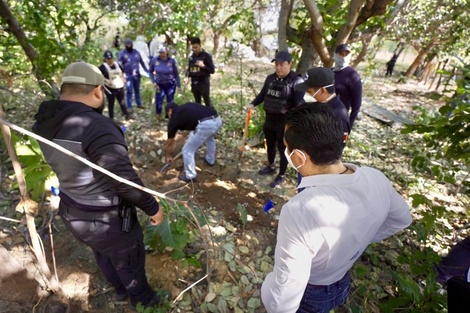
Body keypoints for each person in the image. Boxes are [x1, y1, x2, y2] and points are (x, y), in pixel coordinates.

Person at [32, 62, 163, 310]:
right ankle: (145, 300)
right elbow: (124, 180)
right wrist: (153, 207)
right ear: (97, 91)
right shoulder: (96, 126)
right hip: (107, 220)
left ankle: (119, 290)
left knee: (102, 253)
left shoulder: (43, 122)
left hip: (73, 212)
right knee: (129, 260)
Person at [261, 103, 412, 313]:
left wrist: (267, 287)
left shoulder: (301, 211)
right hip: (342, 281)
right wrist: (360, 238)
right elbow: (402, 219)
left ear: (298, 157)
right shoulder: (375, 177)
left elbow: (284, 301)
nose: (286, 151)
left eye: (287, 147)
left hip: (312, 294)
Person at [246, 51, 305, 188]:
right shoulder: (270, 79)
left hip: (285, 123)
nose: (278, 67)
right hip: (270, 119)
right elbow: (262, 95)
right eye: (276, 64)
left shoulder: (296, 81)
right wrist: (252, 104)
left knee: (283, 149)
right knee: (270, 145)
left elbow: (298, 105)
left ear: (289, 64)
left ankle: (281, 174)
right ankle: (271, 165)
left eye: (282, 64)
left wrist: (294, 125)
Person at [295, 67, 351, 192]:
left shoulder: (338, 116)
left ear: (322, 90)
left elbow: (333, 152)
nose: (308, 94)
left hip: (318, 173)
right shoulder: (319, 106)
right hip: (306, 164)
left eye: (310, 91)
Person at [164, 101, 222, 182]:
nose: (169, 117)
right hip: (217, 119)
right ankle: (210, 160)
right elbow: (193, 122)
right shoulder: (187, 106)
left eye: (168, 115)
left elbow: (170, 142)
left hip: (206, 125)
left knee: (187, 150)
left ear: (170, 111)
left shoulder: (174, 118)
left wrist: (168, 156)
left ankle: (190, 176)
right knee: (210, 138)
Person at [333, 44, 363, 129]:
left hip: (340, 119)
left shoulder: (352, 76)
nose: (343, 57)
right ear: (335, 55)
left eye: (346, 55)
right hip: (324, 115)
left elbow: (356, 102)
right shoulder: (330, 72)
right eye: (341, 54)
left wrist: (349, 124)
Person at [98, 50, 131, 120]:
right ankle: (111, 118)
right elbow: (99, 75)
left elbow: (123, 72)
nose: (110, 60)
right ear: (105, 59)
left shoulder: (118, 64)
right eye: (108, 59)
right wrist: (106, 80)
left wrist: (124, 78)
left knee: (122, 102)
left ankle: (126, 115)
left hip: (119, 86)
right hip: (110, 88)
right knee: (111, 103)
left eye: (111, 58)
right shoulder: (102, 67)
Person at [149, 45, 181, 116]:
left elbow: (176, 73)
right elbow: (150, 71)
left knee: (170, 101)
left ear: (167, 52)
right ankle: (158, 115)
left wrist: (178, 84)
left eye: (163, 52)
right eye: (160, 52)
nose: (161, 54)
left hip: (170, 84)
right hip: (159, 84)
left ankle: (169, 116)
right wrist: (153, 81)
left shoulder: (172, 61)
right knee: (159, 101)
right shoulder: (154, 60)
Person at [118, 38, 149, 110]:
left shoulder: (136, 53)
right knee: (129, 90)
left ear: (132, 44)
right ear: (125, 45)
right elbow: (119, 64)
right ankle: (129, 106)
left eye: (130, 44)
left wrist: (147, 71)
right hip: (128, 75)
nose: (129, 46)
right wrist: (123, 74)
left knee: (137, 90)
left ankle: (139, 104)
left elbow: (142, 62)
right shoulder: (122, 54)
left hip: (136, 75)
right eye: (127, 44)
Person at [184, 37, 215, 107]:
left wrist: (203, 66)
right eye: (193, 48)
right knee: (197, 104)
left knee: (207, 103)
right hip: (194, 83)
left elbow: (212, 70)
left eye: (196, 47)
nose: (194, 49)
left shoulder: (206, 56)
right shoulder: (192, 57)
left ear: (200, 46)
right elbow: (189, 69)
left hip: (203, 83)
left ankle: (210, 116)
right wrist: (186, 77)